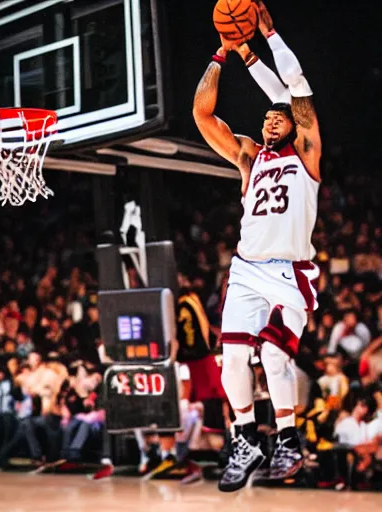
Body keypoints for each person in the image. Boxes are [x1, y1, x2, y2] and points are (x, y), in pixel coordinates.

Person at [193, 1, 322, 492]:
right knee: (233, 358)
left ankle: (288, 439)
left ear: (292, 126)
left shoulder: (307, 155)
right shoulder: (248, 156)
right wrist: (224, 54)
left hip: (291, 272)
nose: (271, 121)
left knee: (272, 355)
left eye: (279, 118)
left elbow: (297, 92)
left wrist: (265, 38)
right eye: (266, 118)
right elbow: (203, 114)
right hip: (246, 269)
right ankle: (245, 437)